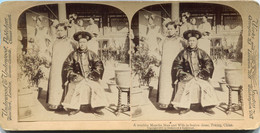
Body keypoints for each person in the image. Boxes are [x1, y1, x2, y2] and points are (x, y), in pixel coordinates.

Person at [171, 30, 219, 115]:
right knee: (185, 86)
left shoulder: (201, 52)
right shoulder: (183, 53)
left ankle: (207, 106)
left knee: (206, 86)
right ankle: (185, 106)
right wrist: (182, 73)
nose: (191, 43)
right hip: (187, 76)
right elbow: (176, 65)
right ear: (187, 42)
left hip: (200, 76)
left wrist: (203, 73)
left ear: (197, 42)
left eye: (193, 41)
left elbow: (209, 63)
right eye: (190, 41)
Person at [61, 31, 109, 115]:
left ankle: (97, 107)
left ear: (87, 43)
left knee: (96, 86)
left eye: (84, 42)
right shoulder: (73, 55)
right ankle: (74, 107)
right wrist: (73, 75)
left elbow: (99, 64)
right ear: (78, 43)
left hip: (90, 77)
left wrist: (94, 74)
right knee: (76, 87)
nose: (82, 44)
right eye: (80, 42)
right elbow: (67, 66)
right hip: (77, 77)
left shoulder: (92, 54)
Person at [47, 22, 77, 110]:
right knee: (55, 84)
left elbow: (74, 53)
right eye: (58, 30)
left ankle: (63, 104)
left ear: (65, 30)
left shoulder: (70, 42)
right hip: (55, 67)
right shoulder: (54, 42)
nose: (59, 32)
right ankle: (54, 104)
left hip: (65, 66)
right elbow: (49, 54)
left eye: (61, 30)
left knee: (64, 84)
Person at [157, 21, 185, 109]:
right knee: (165, 83)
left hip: (175, 65)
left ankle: (174, 103)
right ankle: (164, 102)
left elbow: (183, 52)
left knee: (174, 82)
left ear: (176, 29)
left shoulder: (179, 40)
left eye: (171, 29)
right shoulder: (163, 40)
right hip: (165, 65)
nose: (169, 31)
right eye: (168, 29)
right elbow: (159, 51)